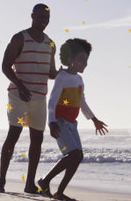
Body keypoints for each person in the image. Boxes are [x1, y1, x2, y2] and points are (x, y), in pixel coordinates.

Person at [0, 3, 60, 194]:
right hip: (18, 95)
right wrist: (20, 85)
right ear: (32, 15)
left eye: (46, 19)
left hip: (39, 97)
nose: (43, 22)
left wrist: (61, 74)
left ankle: (30, 184)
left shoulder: (51, 44)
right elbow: (5, 66)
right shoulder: (19, 38)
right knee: (13, 135)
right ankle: (1, 182)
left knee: (37, 139)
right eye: (40, 17)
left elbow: (49, 72)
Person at [38, 38, 108, 201]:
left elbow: (82, 102)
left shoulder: (79, 80)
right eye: (81, 60)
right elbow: (52, 101)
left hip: (72, 124)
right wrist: (52, 122)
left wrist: (94, 119)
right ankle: (45, 180)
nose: (85, 64)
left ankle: (59, 192)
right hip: (60, 122)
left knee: (78, 156)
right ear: (70, 59)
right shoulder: (62, 77)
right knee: (74, 154)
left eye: (86, 60)